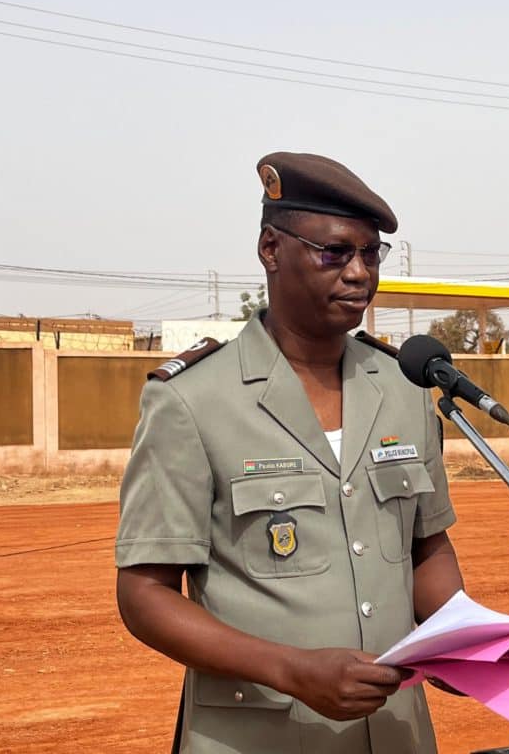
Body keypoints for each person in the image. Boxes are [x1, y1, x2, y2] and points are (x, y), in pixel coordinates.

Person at [115, 151, 465, 754]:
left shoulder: (404, 389)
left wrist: (463, 645)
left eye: (371, 253)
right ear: (271, 250)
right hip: (258, 733)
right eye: (335, 252)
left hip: (395, 732)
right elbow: (144, 595)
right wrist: (292, 671)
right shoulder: (193, 400)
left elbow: (426, 548)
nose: (359, 272)